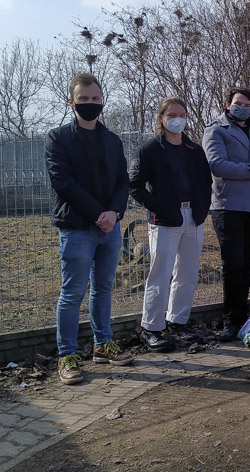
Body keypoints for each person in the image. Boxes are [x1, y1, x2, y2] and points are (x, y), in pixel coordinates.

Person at [45, 73, 134, 385]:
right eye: (83, 99)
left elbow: (123, 181)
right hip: (77, 228)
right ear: (72, 102)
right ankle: (67, 354)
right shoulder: (58, 138)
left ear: (102, 101)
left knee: (104, 288)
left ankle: (102, 344)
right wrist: (99, 213)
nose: (90, 104)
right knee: (72, 294)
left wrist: (115, 213)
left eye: (95, 99)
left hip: (110, 227)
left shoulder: (112, 140)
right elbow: (62, 182)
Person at [129, 97, 212, 351]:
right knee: (160, 273)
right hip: (164, 220)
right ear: (161, 118)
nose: (178, 119)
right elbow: (134, 185)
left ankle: (178, 322)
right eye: (172, 114)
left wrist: (201, 211)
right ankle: (152, 327)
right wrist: (159, 207)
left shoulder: (194, 150)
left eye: (182, 114)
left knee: (187, 273)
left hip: (193, 219)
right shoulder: (149, 150)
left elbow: (206, 183)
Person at [203, 88, 250, 341]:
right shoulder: (216, 130)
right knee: (232, 265)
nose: (242, 107)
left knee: (246, 263)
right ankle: (231, 321)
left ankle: (243, 315)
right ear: (227, 104)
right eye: (237, 103)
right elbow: (217, 165)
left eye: (247, 104)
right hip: (228, 206)